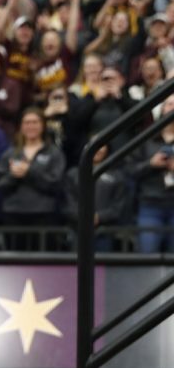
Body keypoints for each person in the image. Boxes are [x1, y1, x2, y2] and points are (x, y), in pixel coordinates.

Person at [0, 108, 66, 250]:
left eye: (35, 122)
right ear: (21, 126)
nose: (30, 126)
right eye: (27, 122)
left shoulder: (54, 153)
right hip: (14, 214)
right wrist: (14, 176)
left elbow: (56, 184)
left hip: (43, 214)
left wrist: (29, 172)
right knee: (15, 259)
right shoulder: (10, 153)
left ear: (43, 125)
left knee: (43, 260)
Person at [128, 94, 174, 253]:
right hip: (150, 205)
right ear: (162, 110)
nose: (173, 108)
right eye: (169, 104)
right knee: (147, 256)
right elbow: (130, 170)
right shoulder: (146, 138)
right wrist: (151, 164)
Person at [64, 144, 126, 252]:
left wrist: (99, 217)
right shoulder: (73, 174)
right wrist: (84, 216)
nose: (97, 149)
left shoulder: (117, 176)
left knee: (102, 260)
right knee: (75, 260)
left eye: (101, 146)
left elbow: (118, 206)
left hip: (104, 231)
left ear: (107, 149)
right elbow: (67, 202)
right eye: (94, 144)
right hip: (77, 229)